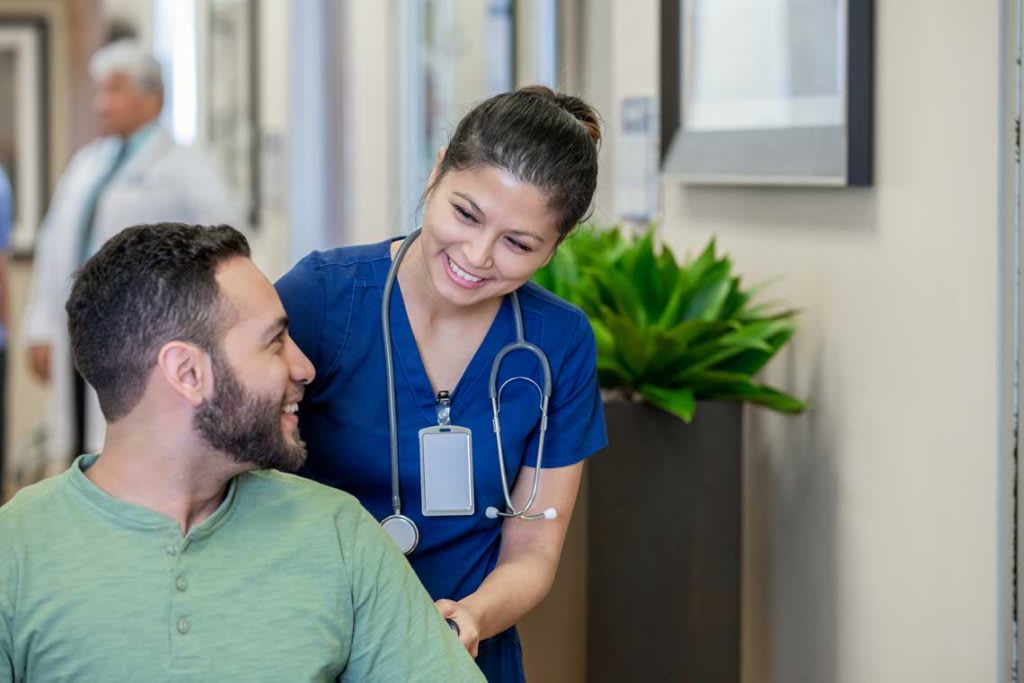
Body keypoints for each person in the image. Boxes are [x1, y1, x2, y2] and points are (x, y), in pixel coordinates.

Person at [0, 223, 483, 682]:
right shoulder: (15, 552)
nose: (304, 367)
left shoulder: (338, 535)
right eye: (274, 343)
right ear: (187, 374)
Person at [276, 86, 607, 682]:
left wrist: (471, 618)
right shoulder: (321, 299)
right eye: (466, 214)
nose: (478, 256)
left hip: (463, 656)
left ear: (554, 247)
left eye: (518, 244)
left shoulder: (558, 343)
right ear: (435, 173)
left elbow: (533, 548)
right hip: (312, 648)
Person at [22, 39, 243, 472]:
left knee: (128, 445)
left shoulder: (184, 167)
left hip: (149, 331)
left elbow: (227, 245)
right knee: (78, 442)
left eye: (115, 90)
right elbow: (53, 248)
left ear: (153, 97)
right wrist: (41, 325)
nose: (102, 103)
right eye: (99, 90)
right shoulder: (87, 164)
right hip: (80, 324)